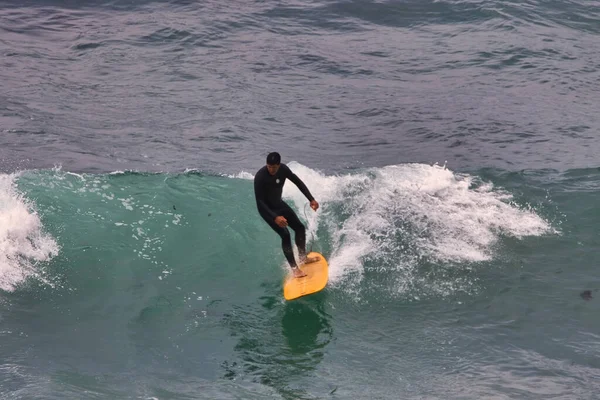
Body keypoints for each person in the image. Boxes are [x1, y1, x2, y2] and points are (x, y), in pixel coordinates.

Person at [254, 152, 319, 278]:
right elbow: (260, 202)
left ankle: (303, 257)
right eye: (269, 166)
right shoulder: (260, 176)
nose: (271, 170)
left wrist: (311, 199)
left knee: (300, 228)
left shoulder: (283, 170)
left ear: (279, 165)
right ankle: (295, 269)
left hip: (279, 205)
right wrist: (275, 217)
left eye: (274, 167)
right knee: (285, 234)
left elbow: (298, 182)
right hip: (267, 210)